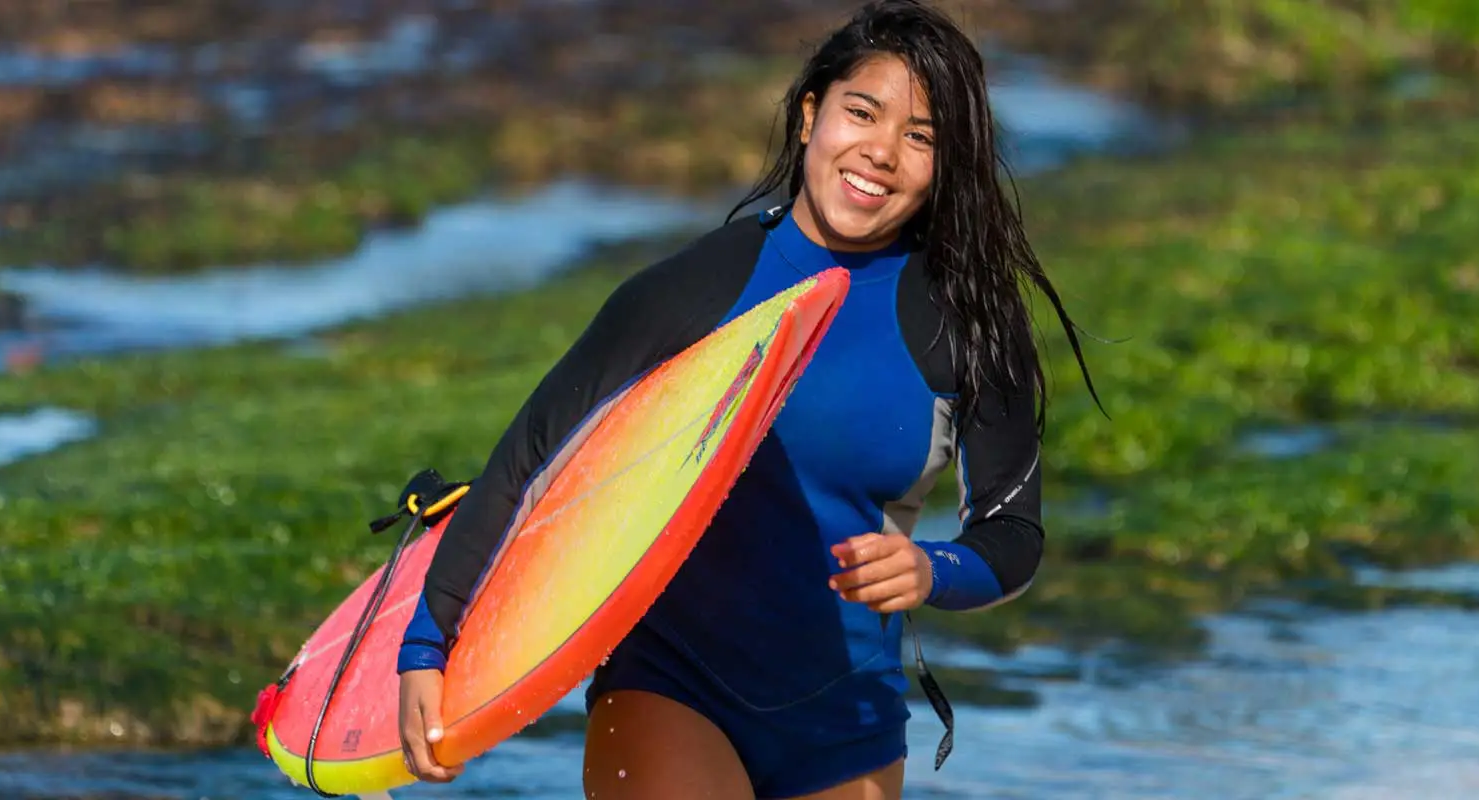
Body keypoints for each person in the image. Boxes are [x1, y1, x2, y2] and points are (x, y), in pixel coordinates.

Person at [395, 0, 1099, 796]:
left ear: (948, 165)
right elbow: (533, 456)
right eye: (860, 113)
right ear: (810, 116)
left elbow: (1012, 531)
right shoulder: (699, 287)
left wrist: (931, 569)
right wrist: (428, 644)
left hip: (847, 717)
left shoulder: (965, 319)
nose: (881, 152)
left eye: (921, 136)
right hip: (670, 684)